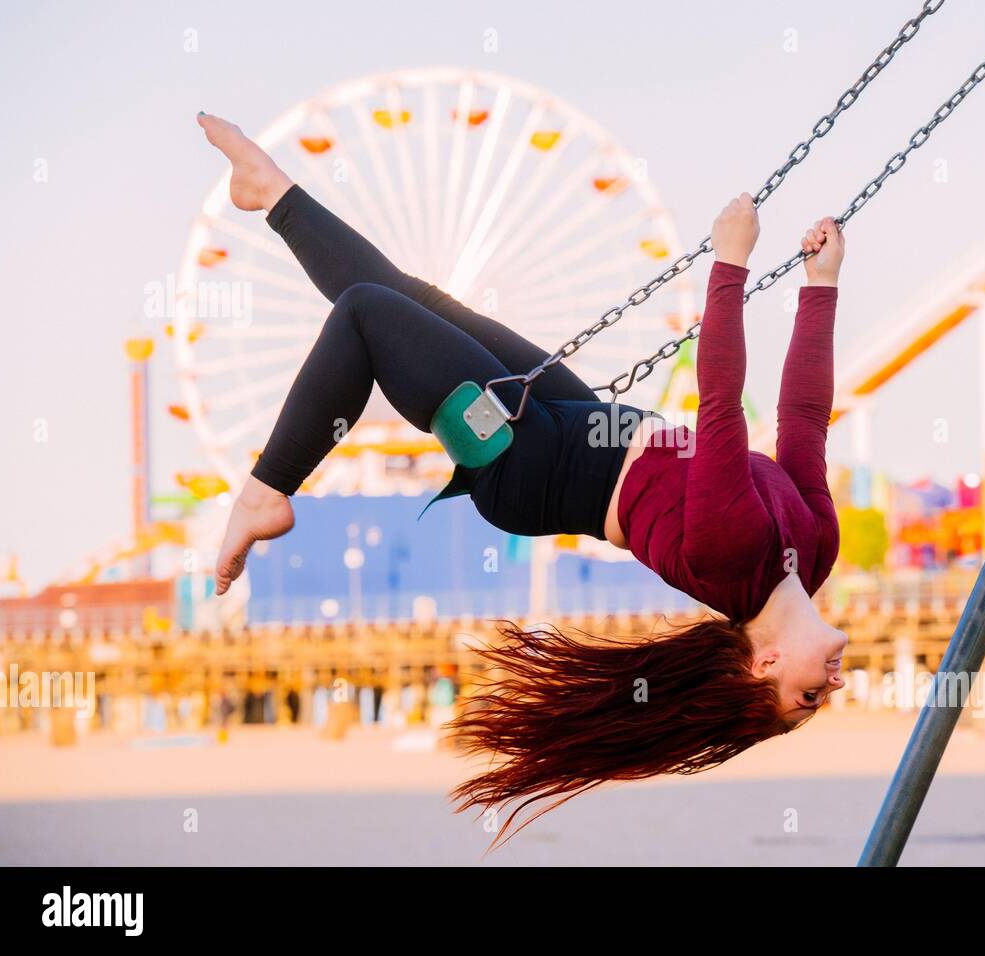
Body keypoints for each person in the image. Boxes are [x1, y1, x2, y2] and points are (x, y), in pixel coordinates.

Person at [198, 113, 849, 842]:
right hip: (582, 425)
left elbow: (722, 405)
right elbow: (803, 419)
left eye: (810, 694)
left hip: (524, 467)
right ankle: (272, 192)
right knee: (416, 301)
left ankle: (266, 492)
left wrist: (729, 268)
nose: (836, 683)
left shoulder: (733, 561)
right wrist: (819, 288)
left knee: (368, 317)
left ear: (764, 663)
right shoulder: (815, 548)